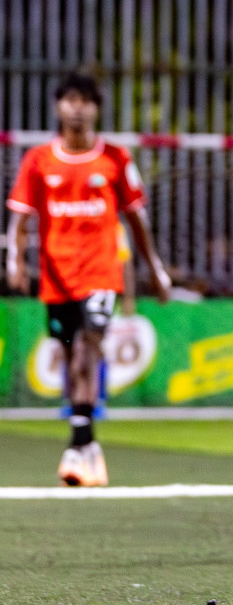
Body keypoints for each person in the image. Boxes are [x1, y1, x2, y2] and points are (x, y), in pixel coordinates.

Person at [5, 72, 171, 487]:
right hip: (57, 276)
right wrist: (14, 260)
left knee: (85, 349)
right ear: (58, 106)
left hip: (100, 272)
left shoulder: (115, 158)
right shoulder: (39, 160)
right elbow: (20, 218)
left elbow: (137, 218)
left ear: (96, 108)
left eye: (86, 100)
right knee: (67, 354)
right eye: (70, 99)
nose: (77, 107)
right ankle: (89, 446)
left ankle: (77, 447)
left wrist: (156, 269)